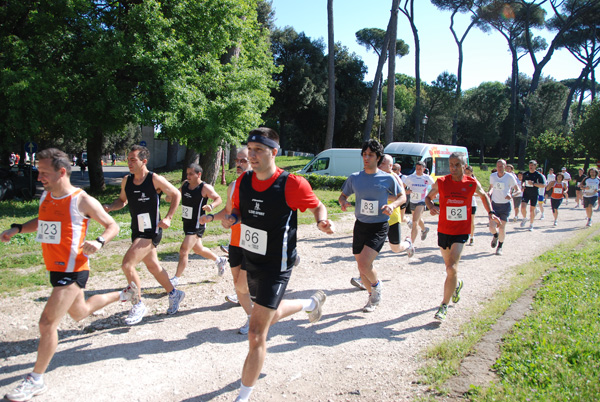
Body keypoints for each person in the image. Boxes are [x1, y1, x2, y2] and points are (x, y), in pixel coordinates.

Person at [214, 128, 334, 402]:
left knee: (256, 333)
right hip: (250, 257)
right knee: (260, 312)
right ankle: (309, 304)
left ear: (274, 152)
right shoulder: (243, 182)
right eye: (249, 149)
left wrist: (321, 221)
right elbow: (238, 211)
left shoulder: (291, 183)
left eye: (258, 150)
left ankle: (242, 397)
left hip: (276, 265)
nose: (251, 155)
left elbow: (317, 206)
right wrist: (231, 218)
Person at [1, 148, 120, 402]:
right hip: (56, 269)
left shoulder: (82, 200)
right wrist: (18, 228)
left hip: (74, 269)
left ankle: (36, 380)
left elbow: (113, 225)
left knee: (47, 323)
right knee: (80, 312)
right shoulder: (47, 195)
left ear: (61, 172)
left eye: (44, 172)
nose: (39, 175)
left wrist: (99, 242)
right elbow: (43, 221)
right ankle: (123, 294)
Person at [103, 145, 184, 325]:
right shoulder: (127, 180)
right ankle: (174, 293)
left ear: (144, 161)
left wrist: (169, 217)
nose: (129, 163)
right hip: (137, 229)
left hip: (151, 230)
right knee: (153, 265)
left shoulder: (154, 179)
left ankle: (137, 303)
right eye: (128, 159)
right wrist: (110, 207)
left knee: (127, 265)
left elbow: (176, 194)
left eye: (133, 160)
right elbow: (122, 201)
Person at [425, 152, 500, 321]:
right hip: (444, 230)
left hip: (461, 231)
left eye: (457, 165)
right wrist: (431, 206)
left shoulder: (472, 183)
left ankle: (443, 305)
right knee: (449, 268)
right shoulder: (442, 182)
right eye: (451, 165)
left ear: (464, 166)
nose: (453, 168)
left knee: (451, 268)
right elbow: (428, 197)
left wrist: (491, 213)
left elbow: (484, 195)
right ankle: (456, 285)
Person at [339, 142, 407, 311]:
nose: (366, 158)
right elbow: (342, 196)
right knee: (362, 268)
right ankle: (372, 296)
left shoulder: (388, 178)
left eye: (370, 155)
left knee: (363, 263)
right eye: (364, 154)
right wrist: (343, 202)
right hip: (360, 225)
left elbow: (402, 197)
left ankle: (377, 286)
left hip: (379, 226)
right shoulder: (355, 177)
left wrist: (392, 205)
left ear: (378, 158)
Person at [201, 147, 255, 334]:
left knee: (242, 284)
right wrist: (212, 217)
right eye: (237, 161)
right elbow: (228, 211)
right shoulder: (233, 186)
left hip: (253, 243)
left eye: (243, 161)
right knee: (237, 284)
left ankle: (256, 316)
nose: (239, 164)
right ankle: (251, 315)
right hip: (235, 241)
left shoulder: (260, 187)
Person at [349, 154, 414, 291]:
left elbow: (401, 198)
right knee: (367, 252)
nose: (379, 165)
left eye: (382, 163)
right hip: (373, 220)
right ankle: (364, 278)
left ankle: (408, 244)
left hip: (391, 217)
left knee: (395, 248)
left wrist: (383, 196)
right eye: (379, 162)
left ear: (390, 166)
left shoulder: (393, 178)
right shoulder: (373, 176)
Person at [169, 163, 226, 287]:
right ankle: (219, 260)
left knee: (184, 250)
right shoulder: (185, 185)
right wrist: (170, 197)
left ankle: (175, 279)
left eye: (191, 174)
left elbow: (218, 198)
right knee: (198, 249)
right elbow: (176, 196)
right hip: (187, 222)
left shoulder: (204, 187)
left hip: (198, 223)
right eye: (187, 174)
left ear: (198, 174)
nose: (188, 176)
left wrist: (211, 206)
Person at [488, 159, 518, 255]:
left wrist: (511, 195)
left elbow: (518, 190)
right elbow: (492, 186)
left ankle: (500, 247)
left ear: (505, 167)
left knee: (502, 227)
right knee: (492, 227)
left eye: (501, 166)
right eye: (498, 166)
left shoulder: (509, 177)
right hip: (495, 205)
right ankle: (495, 235)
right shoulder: (493, 176)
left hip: (505, 205)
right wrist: (489, 192)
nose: (499, 168)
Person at [403, 161, 435, 249]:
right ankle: (424, 229)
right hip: (413, 201)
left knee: (414, 222)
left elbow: (435, 187)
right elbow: (402, 187)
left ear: (424, 169)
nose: (418, 170)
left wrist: (431, 196)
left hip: (422, 201)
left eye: (420, 169)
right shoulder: (411, 177)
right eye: (417, 168)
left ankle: (411, 244)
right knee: (418, 219)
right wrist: (406, 191)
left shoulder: (427, 178)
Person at [520, 160, 546, 231]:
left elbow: (543, 185)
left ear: (535, 166)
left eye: (532, 165)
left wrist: (534, 184)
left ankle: (531, 224)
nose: (531, 167)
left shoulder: (538, 175)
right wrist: (522, 187)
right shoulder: (525, 174)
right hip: (526, 193)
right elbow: (522, 182)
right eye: (530, 165)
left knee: (532, 210)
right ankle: (525, 218)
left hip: (534, 194)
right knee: (523, 207)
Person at [464, 165, 478, 246]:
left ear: (472, 173)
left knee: (471, 221)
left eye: (468, 173)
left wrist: (471, 194)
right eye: (465, 172)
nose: (466, 174)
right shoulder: (462, 180)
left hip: (472, 203)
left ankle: (472, 237)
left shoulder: (474, 181)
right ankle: (465, 235)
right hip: (463, 203)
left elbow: (479, 193)